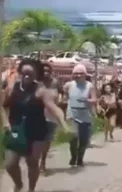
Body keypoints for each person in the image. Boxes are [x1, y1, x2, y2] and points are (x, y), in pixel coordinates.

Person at [1, 59, 70, 192]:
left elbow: (54, 108)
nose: (27, 76)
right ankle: (19, 184)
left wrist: (64, 124)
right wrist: (5, 122)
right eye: (24, 73)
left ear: (36, 75)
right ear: (20, 72)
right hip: (16, 129)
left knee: (32, 163)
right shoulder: (12, 88)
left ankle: (31, 189)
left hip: (36, 132)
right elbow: (2, 106)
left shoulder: (41, 90)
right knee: (10, 164)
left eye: (30, 74)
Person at [63, 64, 97, 167]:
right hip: (72, 113)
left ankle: (80, 158)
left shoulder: (89, 86)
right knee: (73, 138)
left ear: (85, 74)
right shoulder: (69, 85)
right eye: (76, 73)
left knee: (83, 139)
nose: (78, 75)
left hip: (85, 113)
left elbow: (94, 99)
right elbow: (65, 97)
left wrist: (88, 101)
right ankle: (73, 156)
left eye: (81, 73)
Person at [40, 63, 62, 173]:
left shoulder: (55, 82)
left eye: (48, 70)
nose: (46, 73)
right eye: (44, 70)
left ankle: (43, 162)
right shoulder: (37, 83)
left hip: (51, 116)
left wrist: (60, 100)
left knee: (47, 140)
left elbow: (63, 93)